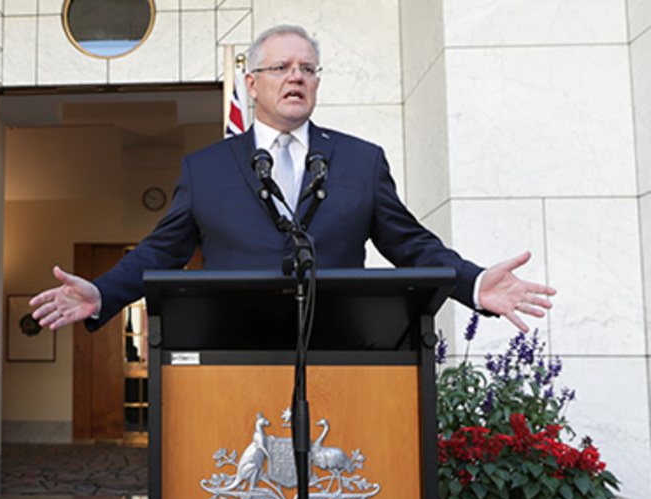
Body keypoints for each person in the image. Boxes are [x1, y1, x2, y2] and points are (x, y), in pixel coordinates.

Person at [30, 24, 554, 334]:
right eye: (281, 68)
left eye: (307, 69)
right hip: (233, 350)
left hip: (340, 346)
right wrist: (103, 293)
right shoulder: (206, 168)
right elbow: (159, 252)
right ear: (252, 84)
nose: (296, 77)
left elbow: (411, 245)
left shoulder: (361, 161)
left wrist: (476, 282)